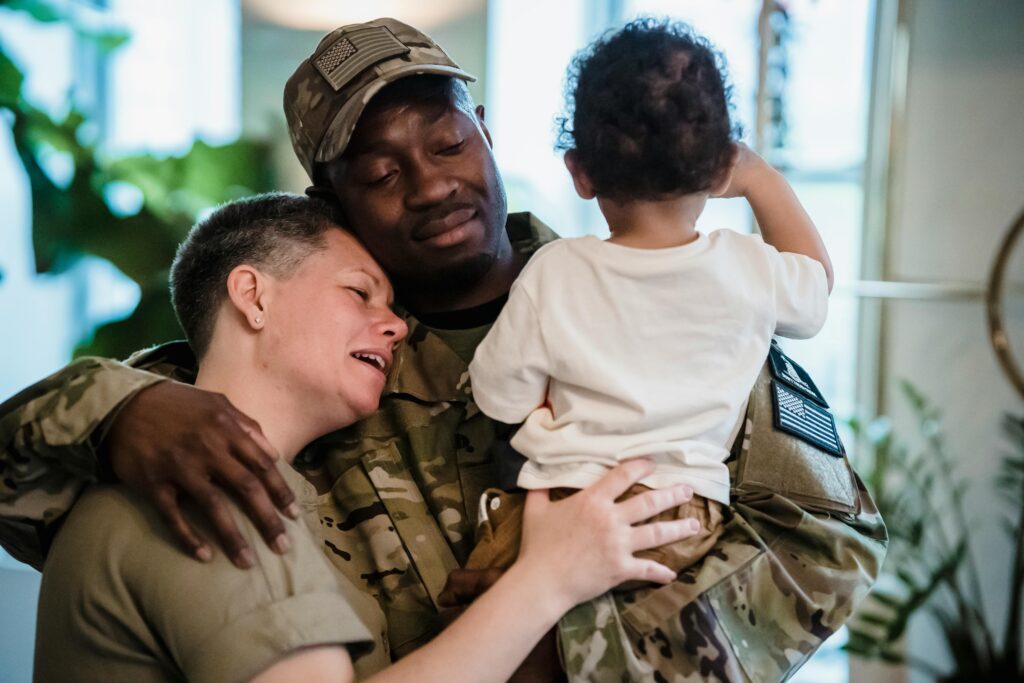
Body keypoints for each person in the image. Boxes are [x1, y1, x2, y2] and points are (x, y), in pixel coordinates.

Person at [1, 17, 886, 682]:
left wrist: (564, 647)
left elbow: (829, 540)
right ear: (330, 197)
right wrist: (119, 412)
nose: (430, 183)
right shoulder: (328, 355)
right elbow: (26, 484)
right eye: (381, 173)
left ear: (488, 131)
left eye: (448, 141)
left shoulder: (666, 295)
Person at [33, 192, 698, 683]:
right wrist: (550, 577)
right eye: (361, 293)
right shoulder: (209, 489)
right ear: (253, 296)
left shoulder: (268, 491)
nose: (396, 326)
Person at [465, 20, 832, 599]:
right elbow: (816, 291)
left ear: (580, 173)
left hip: (560, 506)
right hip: (680, 519)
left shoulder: (555, 270)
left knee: (493, 619)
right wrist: (761, 178)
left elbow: (497, 396)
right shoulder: (747, 269)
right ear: (719, 169)